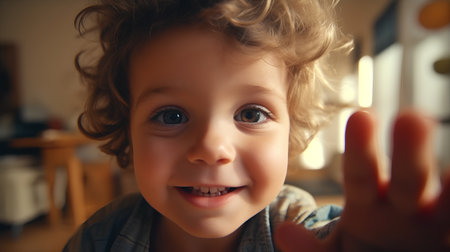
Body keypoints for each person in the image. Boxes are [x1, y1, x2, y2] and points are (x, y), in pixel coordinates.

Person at [64, 0, 450, 251]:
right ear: (127, 129)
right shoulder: (101, 237)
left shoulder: (298, 228)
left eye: (251, 114)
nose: (213, 148)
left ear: (290, 127)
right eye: (171, 116)